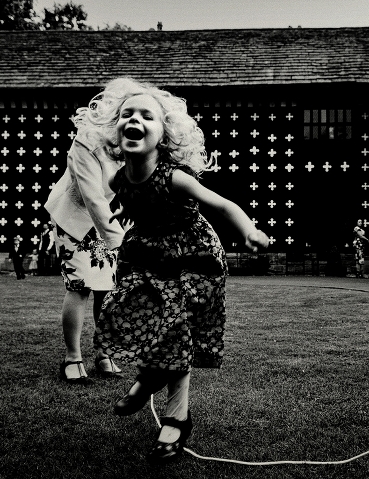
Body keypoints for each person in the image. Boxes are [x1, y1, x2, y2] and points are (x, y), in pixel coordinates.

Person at [90, 77, 270, 457]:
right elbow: (130, 200)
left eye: (146, 116)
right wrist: (125, 210)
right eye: (126, 114)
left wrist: (249, 230)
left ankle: (174, 419)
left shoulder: (175, 177)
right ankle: (150, 377)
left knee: (176, 332)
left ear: (164, 135)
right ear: (114, 128)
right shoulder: (117, 177)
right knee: (130, 313)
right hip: (147, 256)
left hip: (194, 259)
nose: (134, 120)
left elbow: (222, 205)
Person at [46, 101, 126, 381]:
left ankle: (103, 354)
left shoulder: (136, 143)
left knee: (107, 290)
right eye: (125, 114)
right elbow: (91, 195)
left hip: (110, 219)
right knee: (80, 286)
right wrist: (118, 241)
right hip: (75, 218)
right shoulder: (87, 141)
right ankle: (72, 358)